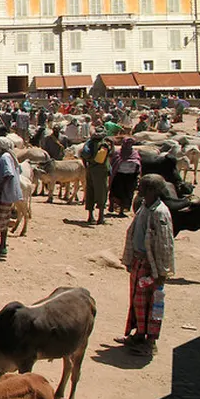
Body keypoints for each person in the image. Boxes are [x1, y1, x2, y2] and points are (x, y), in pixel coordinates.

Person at [120, 176, 176, 356]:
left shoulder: (160, 213)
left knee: (152, 304)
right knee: (138, 301)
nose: (139, 187)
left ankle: (150, 343)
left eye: (142, 186)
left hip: (152, 266)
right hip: (139, 261)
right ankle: (139, 334)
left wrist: (161, 271)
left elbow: (165, 244)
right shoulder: (144, 206)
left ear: (152, 189)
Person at [81, 129, 111, 225]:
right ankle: (100, 217)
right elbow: (101, 159)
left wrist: (87, 166)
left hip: (90, 170)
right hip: (100, 172)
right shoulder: (103, 145)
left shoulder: (89, 144)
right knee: (101, 192)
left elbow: (83, 156)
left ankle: (90, 216)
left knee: (90, 192)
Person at [108, 137, 141, 218]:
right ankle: (112, 205)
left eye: (131, 144)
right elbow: (113, 162)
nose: (129, 145)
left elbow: (138, 162)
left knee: (127, 194)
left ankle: (122, 211)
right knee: (115, 192)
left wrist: (135, 165)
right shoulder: (118, 153)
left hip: (130, 176)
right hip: (118, 175)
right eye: (127, 143)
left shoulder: (134, 153)